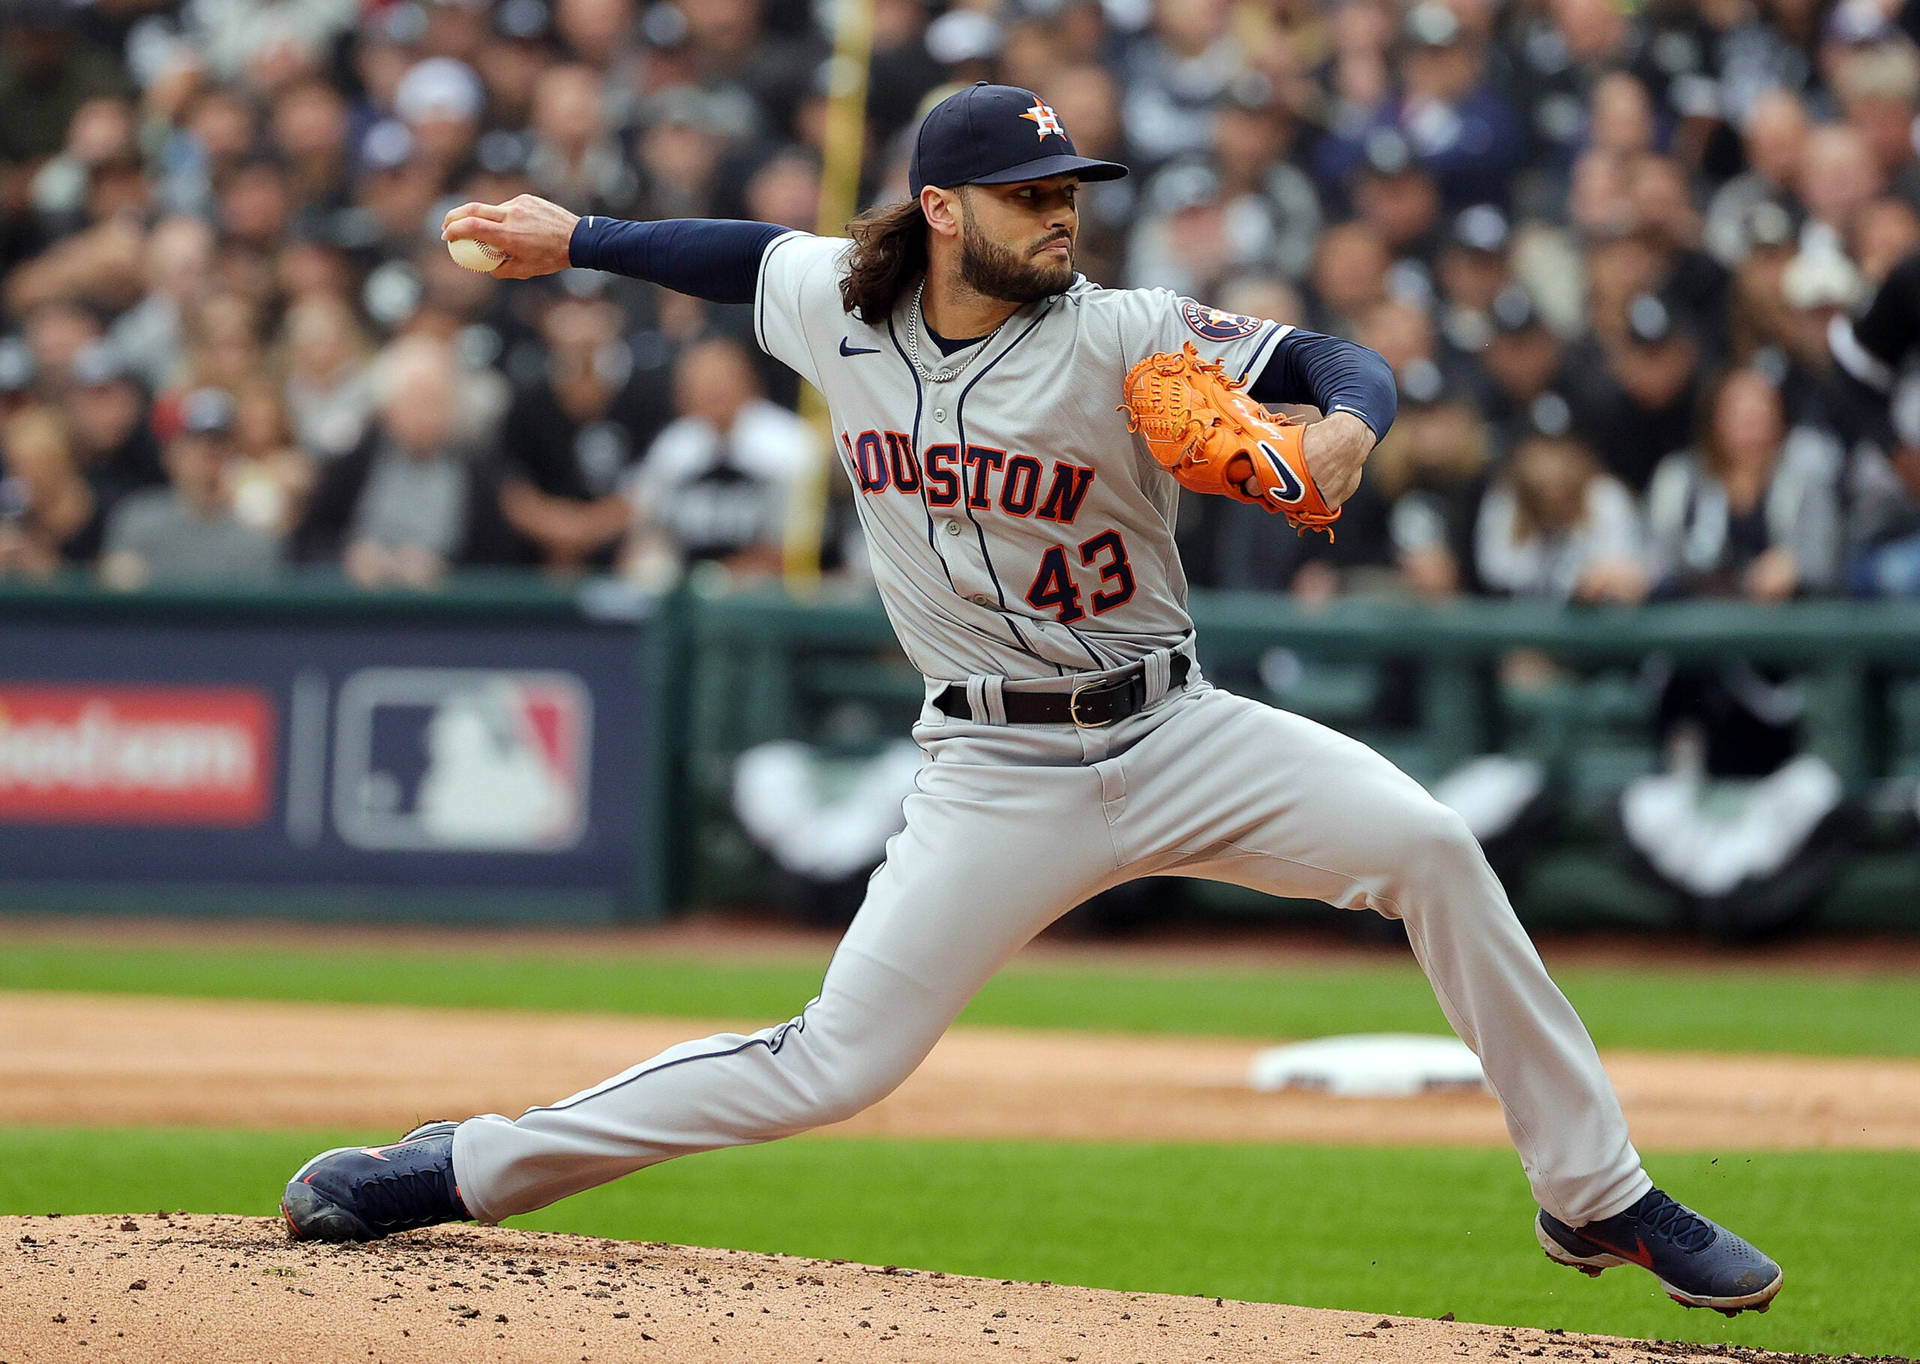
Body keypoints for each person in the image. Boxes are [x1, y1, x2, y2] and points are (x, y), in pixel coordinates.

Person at [278, 83, 1782, 1318]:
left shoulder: (1121, 330)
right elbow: (741, 254)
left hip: (1178, 729)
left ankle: (1598, 1200)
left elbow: (1338, 355)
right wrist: (583, 239)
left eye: (1072, 190)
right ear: (940, 210)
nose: (1062, 213)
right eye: (1027, 193)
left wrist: (1343, 434)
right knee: (833, 1063)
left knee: (1433, 849)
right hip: (992, 773)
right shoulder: (840, 310)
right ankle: (462, 1165)